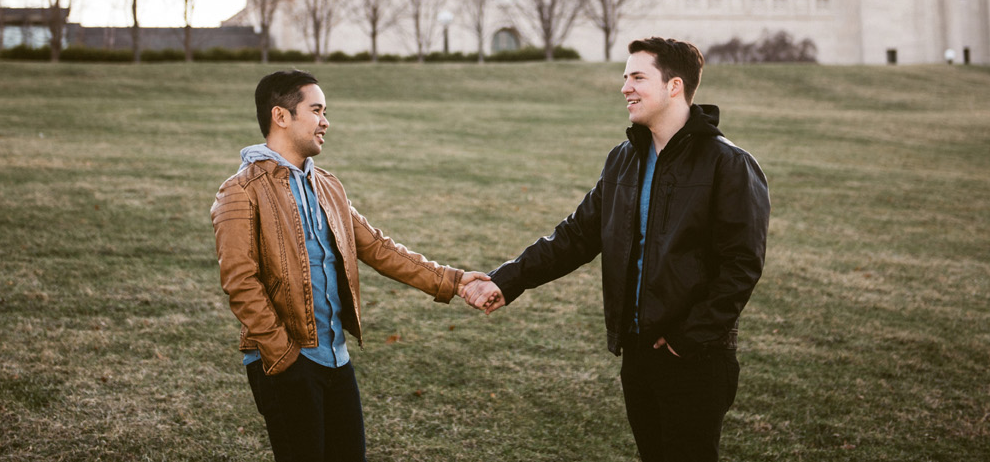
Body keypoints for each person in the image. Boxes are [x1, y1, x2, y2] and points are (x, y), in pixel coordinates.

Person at [463, 37, 770, 461]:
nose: (625, 86)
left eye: (638, 77)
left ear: (674, 86)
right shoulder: (623, 160)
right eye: (625, 76)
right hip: (638, 352)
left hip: (696, 356)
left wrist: (687, 338)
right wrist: (505, 280)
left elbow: (742, 266)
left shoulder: (729, 164)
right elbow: (574, 237)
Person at [211, 69, 491, 462]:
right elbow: (240, 282)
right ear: (281, 116)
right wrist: (284, 352)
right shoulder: (240, 192)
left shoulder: (327, 186)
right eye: (317, 110)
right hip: (286, 362)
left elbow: (378, 248)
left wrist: (454, 280)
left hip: (336, 361)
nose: (326, 121)